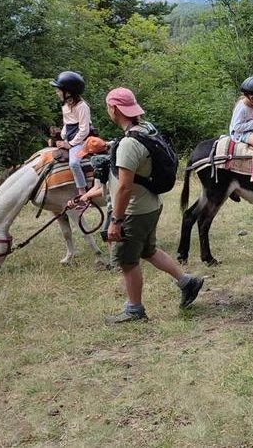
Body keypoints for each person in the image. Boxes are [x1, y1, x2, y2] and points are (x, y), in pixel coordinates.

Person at [101, 87, 204, 323]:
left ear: (114, 109)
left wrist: (116, 221)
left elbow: (125, 187)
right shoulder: (146, 130)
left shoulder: (129, 144)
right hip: (151, 205)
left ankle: (134, 310)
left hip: (133, 211)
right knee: (149, 250)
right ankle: (187, 282)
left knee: (128, 261)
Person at [51, 71, 92, 197]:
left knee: (74, 162)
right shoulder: (65, 106)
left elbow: (84, 130)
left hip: (81, 142)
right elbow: (66, 125)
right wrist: (62, 138)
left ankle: (82, 191)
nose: (56, 93)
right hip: (69, 140)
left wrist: (70, 144)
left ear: (68, 92)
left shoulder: (82, 107)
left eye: (58, 90)